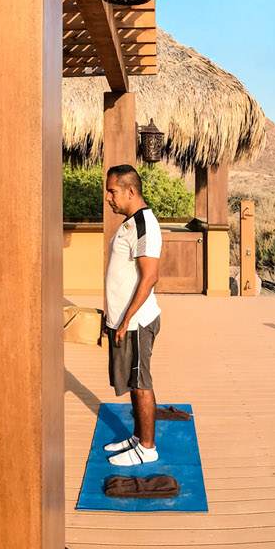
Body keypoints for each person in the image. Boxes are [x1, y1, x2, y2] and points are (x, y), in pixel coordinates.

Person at [100, 165, 164, 467]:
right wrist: (112, 319)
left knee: (140, 383)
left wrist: (125, 321)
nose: (108, 197)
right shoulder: (130, 223)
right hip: (125, 321)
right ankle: (138, 437)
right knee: (131, 380)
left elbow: (150, 277)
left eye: (112, 191)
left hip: (136, 323)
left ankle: (148, 448)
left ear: (130, 191)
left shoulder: (143, 224)